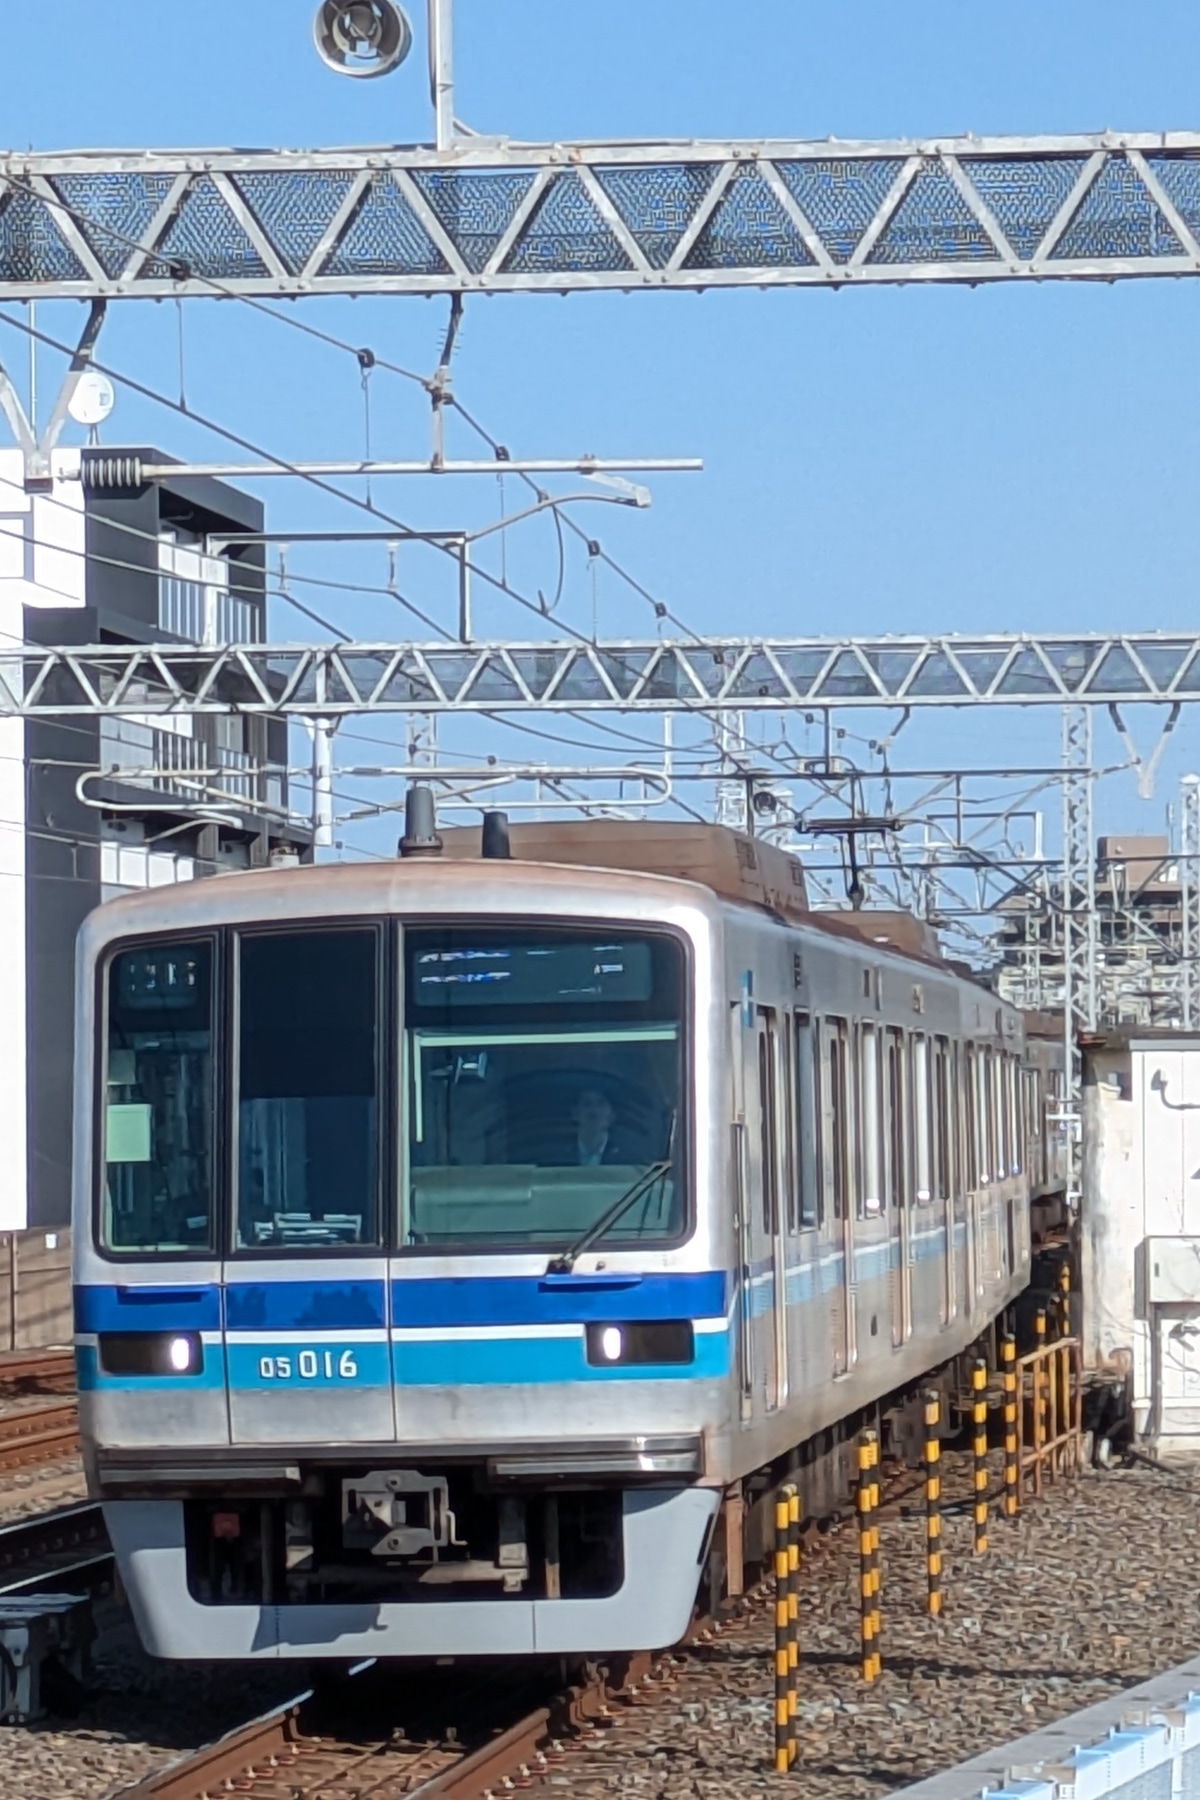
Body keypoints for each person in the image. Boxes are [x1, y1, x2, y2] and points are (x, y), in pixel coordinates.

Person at [569, 1086, 629, 1166]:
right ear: (575, 1114)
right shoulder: (557, 1158)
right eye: (587, 1104)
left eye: (601, 1104)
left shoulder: (627, 1159)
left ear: (612, 1115)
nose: (595, 1111)